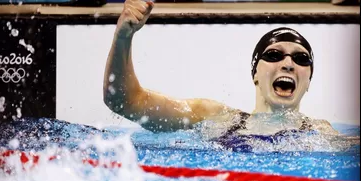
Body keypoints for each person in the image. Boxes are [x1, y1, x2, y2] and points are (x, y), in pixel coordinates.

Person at [103, 0, 340, 137]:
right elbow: (125, 102)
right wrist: (124, 37)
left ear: (309, 80)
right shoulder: (215, 118)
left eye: (301, 59)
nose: (288, 64)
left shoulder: (323, 133)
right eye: (274, 55)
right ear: (255, 73)